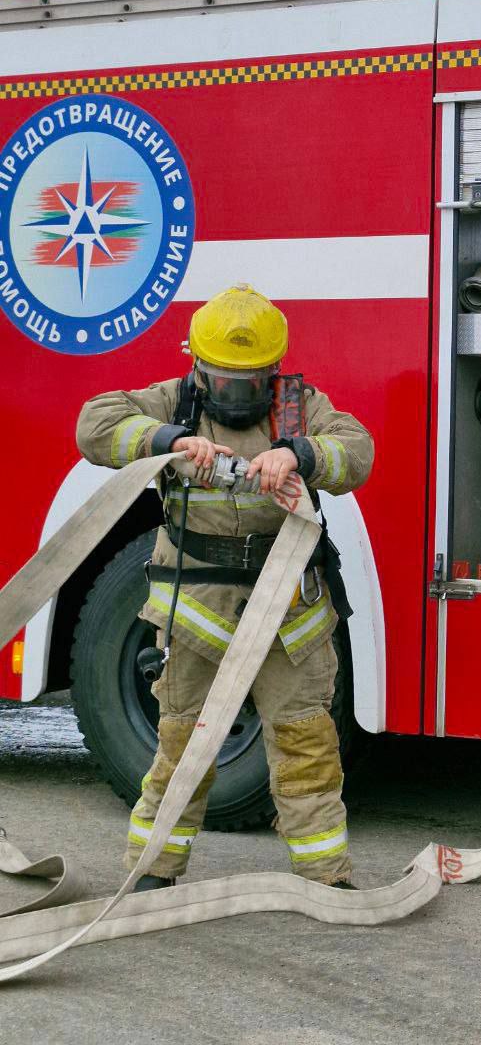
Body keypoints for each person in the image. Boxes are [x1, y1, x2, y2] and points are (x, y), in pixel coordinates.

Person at [76, 283, 374, 891]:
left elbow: (357, 451)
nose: (238, 395)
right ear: (198, 368)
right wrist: (168, 441)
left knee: (306, 744)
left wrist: (299, 455)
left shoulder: (298, 409)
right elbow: (94, 424)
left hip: (287, 613)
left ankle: (326, 879)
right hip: (197, 612)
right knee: (183, 743)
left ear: (275, 372)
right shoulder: (175, 402)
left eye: (252, 383)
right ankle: (152, 872)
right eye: (225, 382)